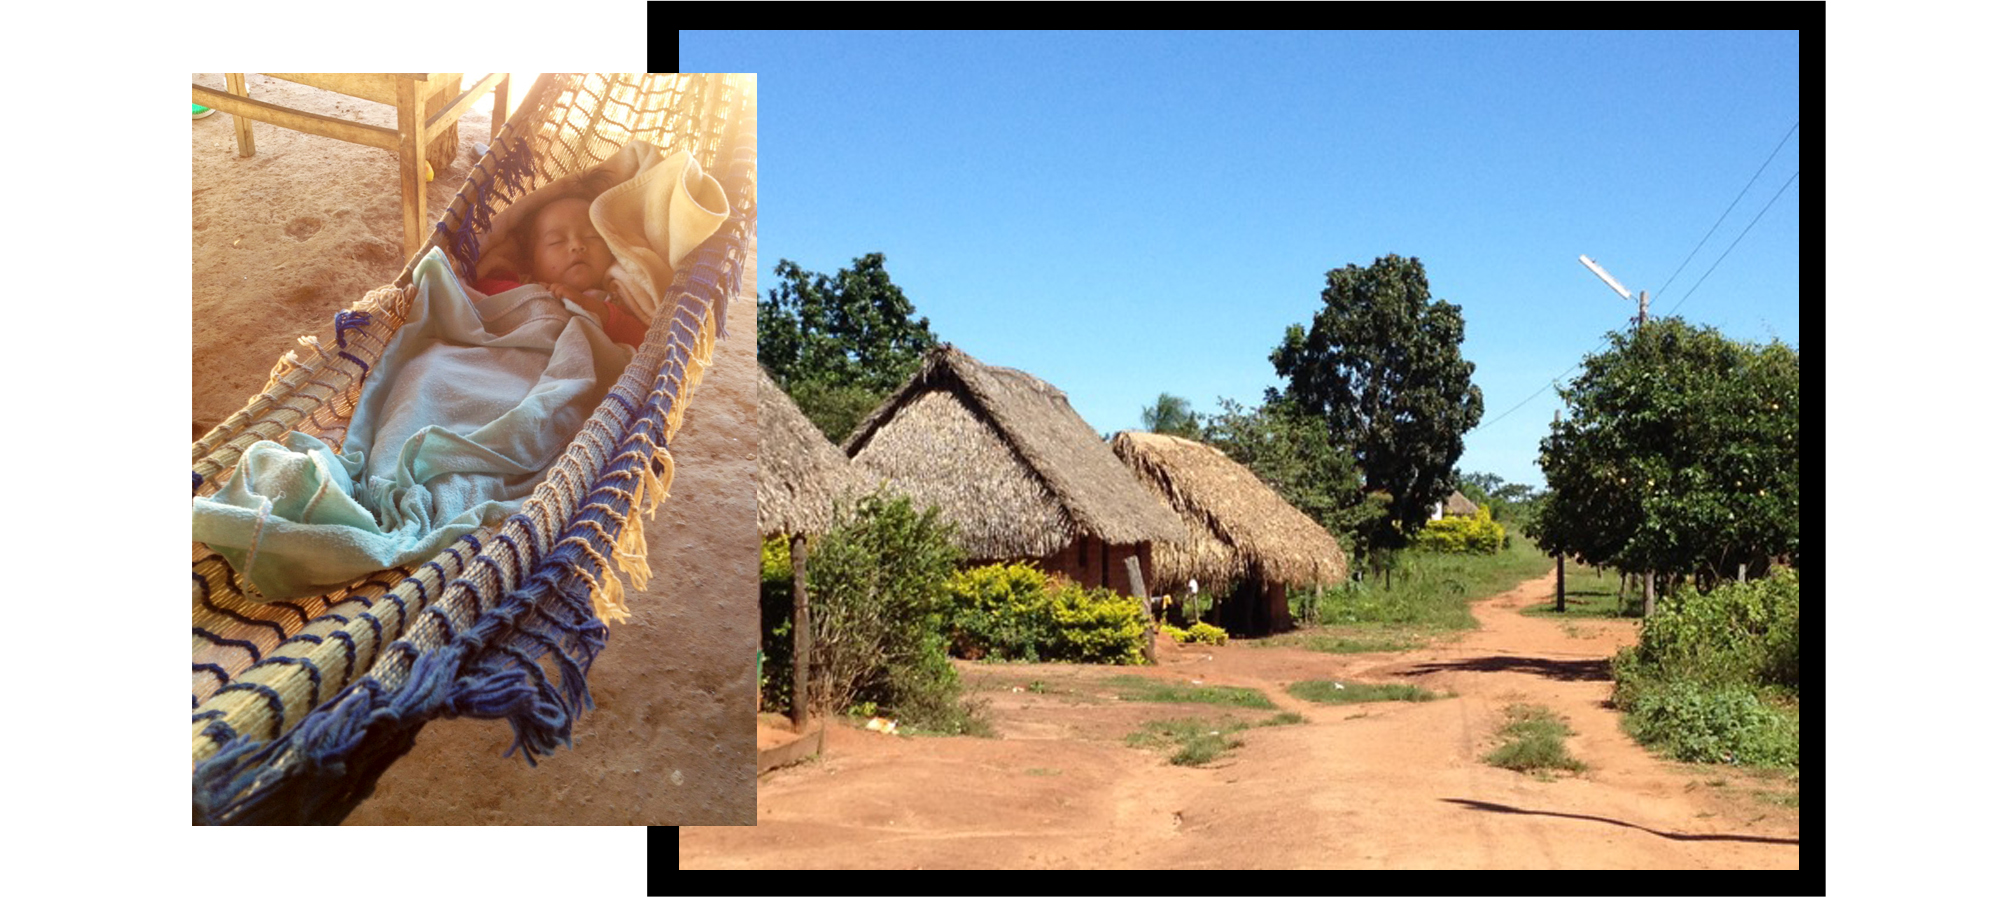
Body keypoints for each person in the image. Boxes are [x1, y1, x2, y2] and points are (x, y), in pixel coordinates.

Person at [472, 194, 650, 345]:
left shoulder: (617, 294)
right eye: (556, 241)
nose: (577, 245)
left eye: (592, 236)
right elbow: (478, 293)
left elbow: (644, 341)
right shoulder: (525, 281)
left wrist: (593, 308)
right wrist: (538, 295)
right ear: (531, 262)